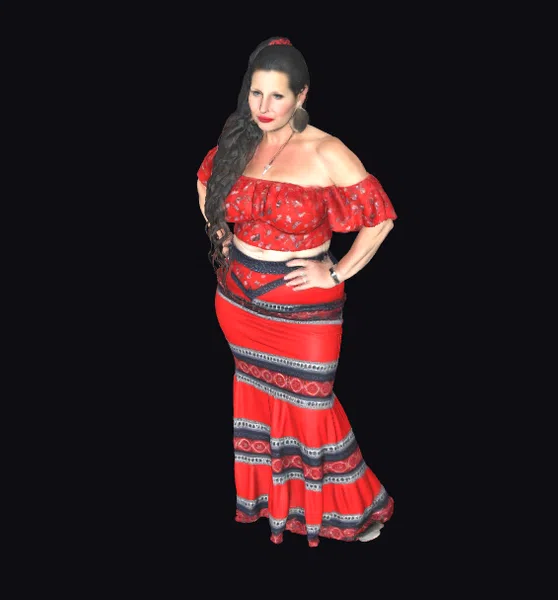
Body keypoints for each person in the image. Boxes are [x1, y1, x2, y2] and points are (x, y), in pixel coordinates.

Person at [196, 36, 398, 547]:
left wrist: (335, 273)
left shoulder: (327, 151)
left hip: (304, 310)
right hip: (238, 300)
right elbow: (205, 182)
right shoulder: (239, 140)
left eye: (277, 96)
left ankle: (348, 511)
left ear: (302, 95)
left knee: (312, 406)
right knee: (257, 399)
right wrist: (220, 232)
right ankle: (276, 506)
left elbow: (380, 219)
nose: (263, 107)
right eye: (256, 93)